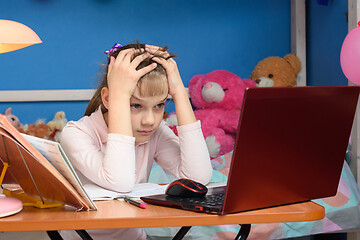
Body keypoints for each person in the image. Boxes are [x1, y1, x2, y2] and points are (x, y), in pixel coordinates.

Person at [59, 42, 213, 239]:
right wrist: (120, 96)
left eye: (159, 105)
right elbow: (120, 182)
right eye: (135, 105)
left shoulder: (155, 132)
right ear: (107, 99)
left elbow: (198, 178)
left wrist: (180, 93)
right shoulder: (76, 133)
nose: (150, 120)